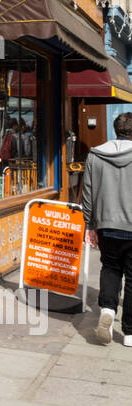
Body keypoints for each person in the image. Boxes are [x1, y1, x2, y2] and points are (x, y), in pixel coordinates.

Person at [82, 110, 132, 347]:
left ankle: (109, 312)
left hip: (106, 225)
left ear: (115, 129)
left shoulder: (95, 155)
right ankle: (130, 333)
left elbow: (88, 193)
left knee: (110, 269)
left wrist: (89, 225)